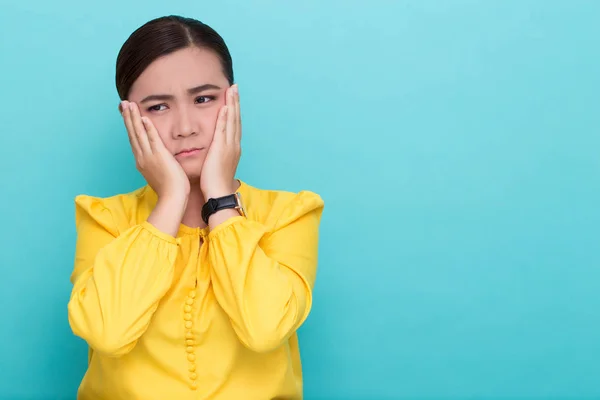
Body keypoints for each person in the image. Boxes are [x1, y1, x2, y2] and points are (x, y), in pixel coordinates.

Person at [67, 15, 324, 400]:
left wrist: (219, 195)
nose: (185, 127)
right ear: (130, 119)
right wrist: (171, 197)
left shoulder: (288, 214)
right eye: (157, 107)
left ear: (233, 101)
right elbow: (109, 332)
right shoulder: (105, 219)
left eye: (204, 99)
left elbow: (265, 329)